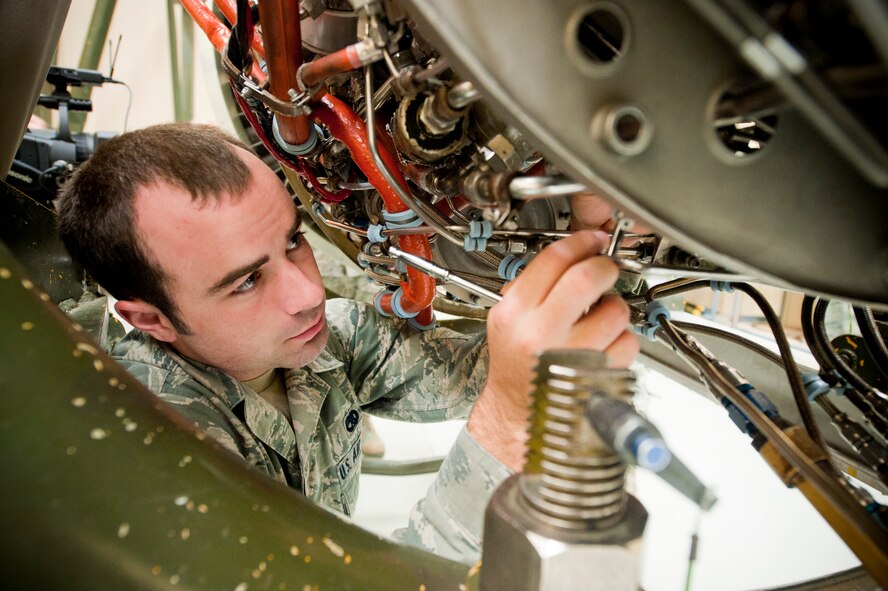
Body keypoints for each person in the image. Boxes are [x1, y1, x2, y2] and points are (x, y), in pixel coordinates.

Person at [56, 122, 638, 563]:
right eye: (247, 281)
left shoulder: (329, 338)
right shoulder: (150, 453)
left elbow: (509, 364)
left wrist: (602, 237)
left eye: (293, 242)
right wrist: (504, 427)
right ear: (153, 320)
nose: (309, 292)